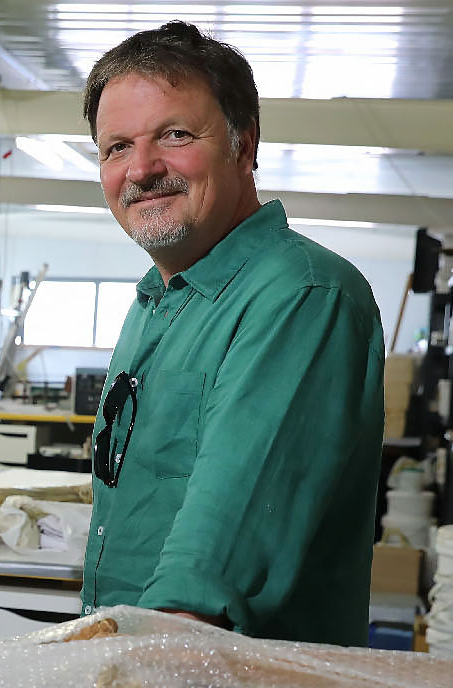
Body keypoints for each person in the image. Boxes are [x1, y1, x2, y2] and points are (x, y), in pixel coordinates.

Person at [78, 21, 385, 645]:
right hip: (139, 667)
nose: (141, 168)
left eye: (175, 136)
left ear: (243, 146)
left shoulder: (300, 296)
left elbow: (209, 575)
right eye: (116, 148)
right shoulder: (159, 300)